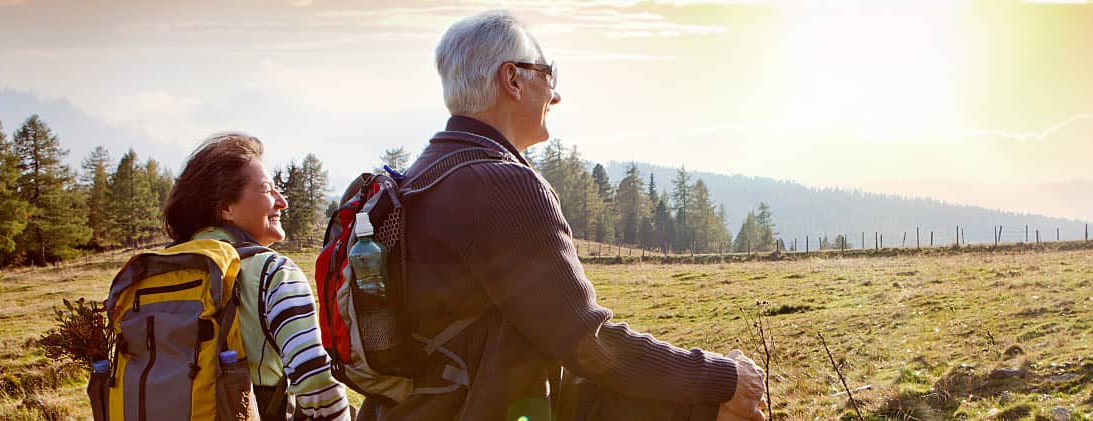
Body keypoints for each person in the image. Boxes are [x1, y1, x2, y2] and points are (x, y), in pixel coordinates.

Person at [355, 10, 767, 421]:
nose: (555, 95)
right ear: (512, 79)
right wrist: (723, 377)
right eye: (548, 73)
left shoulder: (419, 178)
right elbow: (588, 342)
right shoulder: (502, 186)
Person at [163, 133, 352, 420]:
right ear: (226, 208)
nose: (282, 202)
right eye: (267, 190)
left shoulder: (162, 270)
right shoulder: (273, 272)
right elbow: (316, 387)